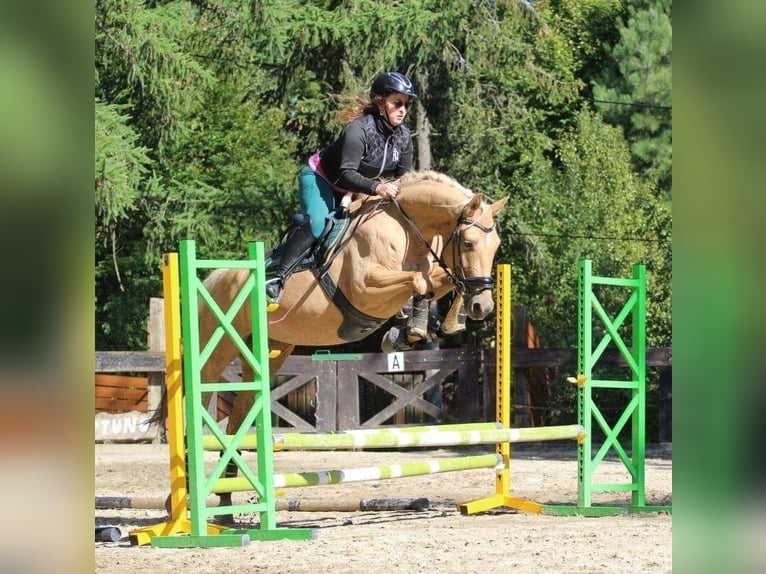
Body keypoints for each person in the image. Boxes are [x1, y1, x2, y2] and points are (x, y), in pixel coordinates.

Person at [265, 71, 431, 341]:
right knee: (318, 224)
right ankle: (276, 278)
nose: (403, 110)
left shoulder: (403, 138)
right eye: (397, 103)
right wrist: (377, 188)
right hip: (323, 179)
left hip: (359, 189)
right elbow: (345, 174)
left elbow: (402, 179)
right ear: (381, 103)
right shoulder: (359, 130)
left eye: (406, 104)